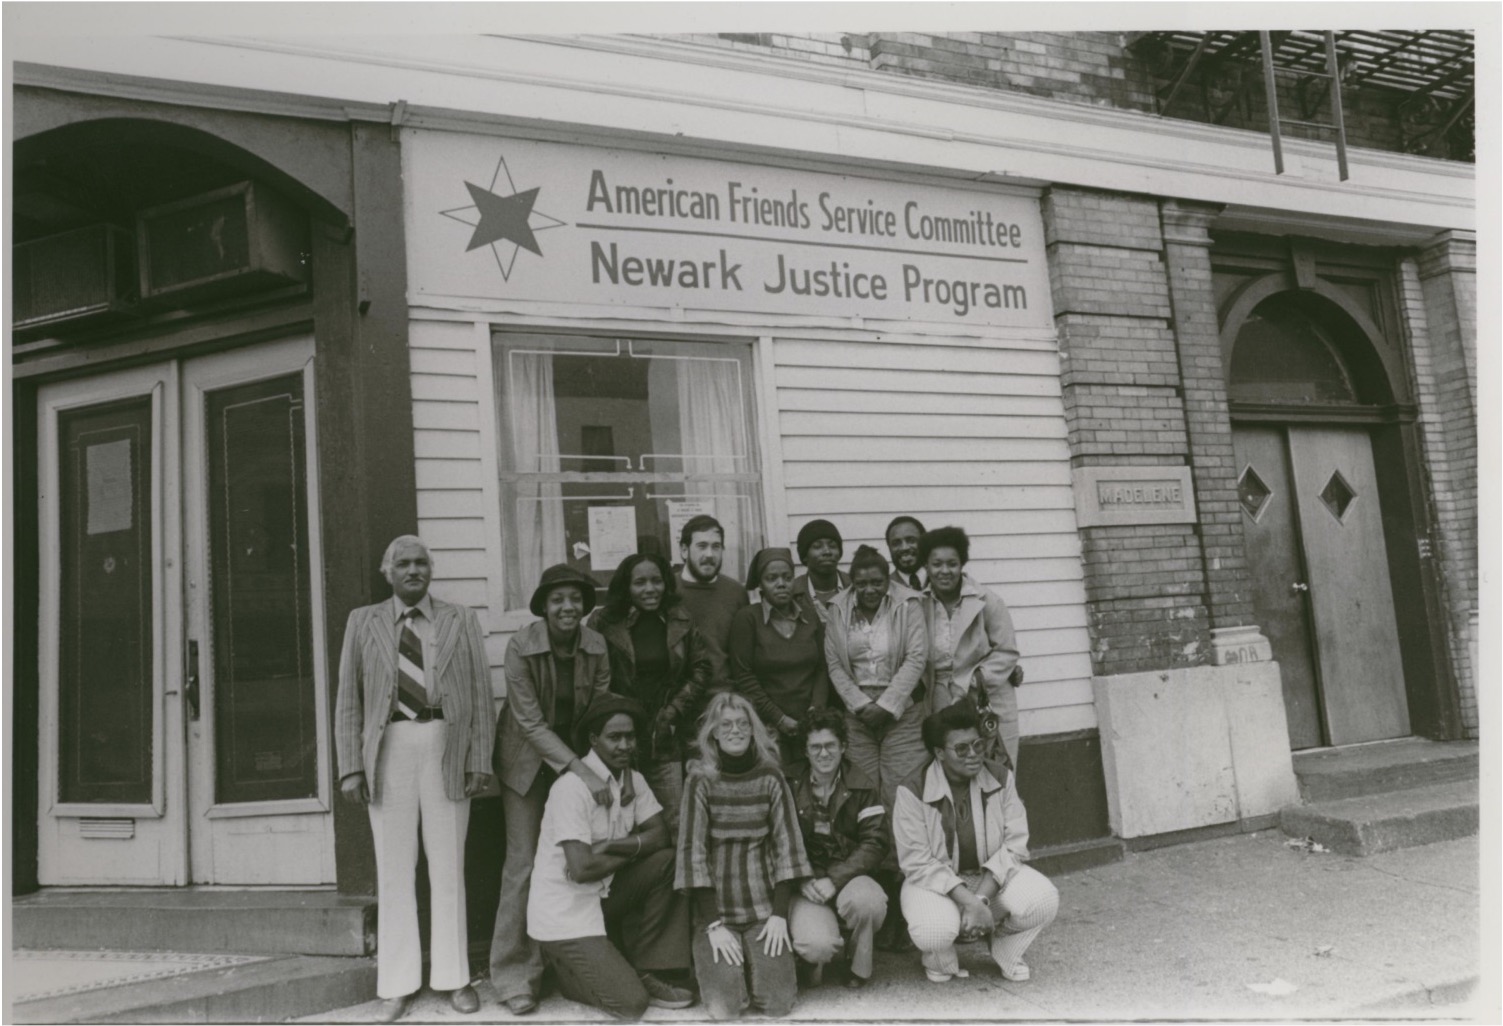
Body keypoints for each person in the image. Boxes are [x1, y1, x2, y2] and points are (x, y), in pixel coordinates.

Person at [335, 536, 493, 1022]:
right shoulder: (364, 621)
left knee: (448, 866)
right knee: (394, 868)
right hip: (389, 748)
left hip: (447, 741)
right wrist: (351, 767)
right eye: (402, 563)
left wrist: (480, 760)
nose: (413, 570)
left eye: (421, 562)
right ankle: (397, 982)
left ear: (431, 570)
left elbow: (482, 694)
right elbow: (349, 699)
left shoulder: (460, 619)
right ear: (387, 572)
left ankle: (454, 977)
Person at [491, 564, 613, 1016]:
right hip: (527, 763)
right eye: (558, 599)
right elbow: (529, 722)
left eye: (575, 599)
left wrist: (589, 770)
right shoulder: (520, 645)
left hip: (577, 761)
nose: (568, 607)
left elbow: (600, 709)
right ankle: (514, 976)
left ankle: (568, 966)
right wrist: (581, 771)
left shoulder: (596, 645)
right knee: (522, 864)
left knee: (572, 859)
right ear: (543, 606)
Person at [526, 695, 696, 1018]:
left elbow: (660, 836)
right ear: (594, 740)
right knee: (631, 1004)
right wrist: (631, 851)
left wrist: (613, 846)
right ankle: (567, 971)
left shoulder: (633, 780)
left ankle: (649, 967)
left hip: (605, 894)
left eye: (630, 737)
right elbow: (581, 869)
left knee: (669, 862)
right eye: (614, 737)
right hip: (566, 912)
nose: (624, 745)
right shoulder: (572, 788)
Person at [892, 704, 1058, 985]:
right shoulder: (911, 790)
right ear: (939, 752)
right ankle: (940, 959)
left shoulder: (1000, 777)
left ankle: (1004, 945)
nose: (973, 755)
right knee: (934, 931)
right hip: (936, 886)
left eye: (978, 745)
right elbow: (917, 863)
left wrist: (980, 900)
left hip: (987, 881)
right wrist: (968, 901)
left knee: (1043, 899)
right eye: (961, 748)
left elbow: (1015, 844)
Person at [676, 692, 813, 1020]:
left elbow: (788, 847)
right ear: (713, 733)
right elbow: (691, 852)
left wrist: (779, 914)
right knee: (726, 1008)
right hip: (717, 915)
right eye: (726, 725)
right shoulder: (700, 781)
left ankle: (769, 966)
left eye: (742, 724)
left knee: (778, 1005)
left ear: (754, 731)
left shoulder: (771, 777)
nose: (735, 730)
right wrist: (712, 924)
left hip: (763, 912)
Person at [586, 552, 712, 831]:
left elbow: (701, 668)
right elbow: (595, 679)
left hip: (665, 737)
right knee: (619, 821)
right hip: (620, 740)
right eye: (640, 582)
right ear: (626, 587)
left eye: (656, 581)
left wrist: (674, 711)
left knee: (675, 821)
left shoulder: (681, 619)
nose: (650, 589)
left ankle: (673, 874)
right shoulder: (603, 622)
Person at [784, 709, 889, 990]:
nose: (823, 753)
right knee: (816, 945)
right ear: (805, 751)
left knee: (869, 903)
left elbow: (875, 842)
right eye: (815, 747)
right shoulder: (788, 784)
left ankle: (858, 964)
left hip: (847, 875)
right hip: (806, 880)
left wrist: (836, 878)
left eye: (830, 745)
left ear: (843, 747)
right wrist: (801, 877)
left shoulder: (863, 784)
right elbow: (778, 840)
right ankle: (814, 958)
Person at [824, 545, 930, 806]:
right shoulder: (837, 609)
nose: (869, 589)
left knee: (902, 790)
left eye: (876, 582)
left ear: (887, 580)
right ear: (852, 583)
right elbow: (834, 663)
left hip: (903, 709)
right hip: (857, 714)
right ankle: (872, 847)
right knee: (864, 790)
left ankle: (901, 849)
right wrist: (861, 705)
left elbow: (916, 658)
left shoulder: (909, 604)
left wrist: (886, 705)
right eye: (861, 584)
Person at [919, 526, 1024, 770]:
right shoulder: (919, 604)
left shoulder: (987, 600)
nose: (944, 571)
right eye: (936, 564)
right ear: (926, 566)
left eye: (952, 564)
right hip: (941, 702)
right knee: (953, 771)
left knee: (995, 771)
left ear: (962, 565)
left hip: (988, 699)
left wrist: (973, 680)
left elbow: (1007, 651)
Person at [728, 547, 829, 765]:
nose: (781, 584)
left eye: (787, 577)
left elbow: (822, 667)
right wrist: (780, 719)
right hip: (768, 728)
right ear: (761, 584)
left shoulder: (809, 616)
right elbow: (743, 676)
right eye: (771, 578)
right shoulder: (748, 619)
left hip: (810, 724)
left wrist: (815, 711)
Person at [675, 514, 750, 692]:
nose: (709, 554)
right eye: (702, 546)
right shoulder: (668, 591)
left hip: (726, 699)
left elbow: (744, 657)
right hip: (678, 701)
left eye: (716, 547)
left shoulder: (736, 593)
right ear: (684, 550)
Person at [791, 519, 850, 621]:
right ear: (804, 556)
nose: (827, 551)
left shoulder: (854, 586)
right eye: (817, 546)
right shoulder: (793, 593)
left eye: (832, 546)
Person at [885, 515, 927, 591]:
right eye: (896, 543)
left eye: (911, 540)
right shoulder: (885, 588)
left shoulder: (942, 580)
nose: (904, 548)